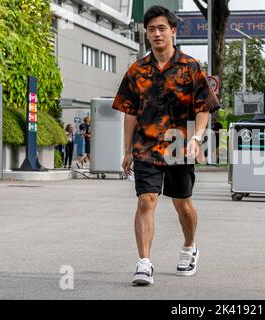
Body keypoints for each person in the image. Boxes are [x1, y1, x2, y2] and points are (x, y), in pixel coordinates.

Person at [112, 5, 220, 286]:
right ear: (146, 34)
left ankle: (189, 246)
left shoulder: (191, 67)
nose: (157, 33)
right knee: (146, 200)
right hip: (146, 146)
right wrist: (126, 150)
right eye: (151, 29)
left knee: (182, 204)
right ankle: (144, 262)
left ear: (173, 31)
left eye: (162, 28)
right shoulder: (136, 71)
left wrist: (196, 138)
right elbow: (130, 112)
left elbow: (205, 107)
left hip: (179, 145)